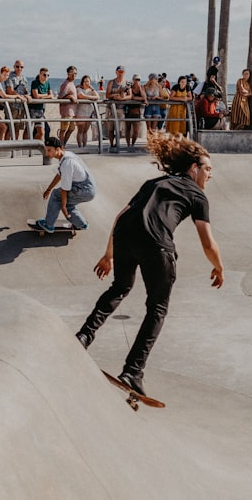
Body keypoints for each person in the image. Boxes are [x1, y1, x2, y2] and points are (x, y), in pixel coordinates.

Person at [74, 133, 224, 397]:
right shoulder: (197, 196)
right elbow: (208, 243)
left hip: (125, 234)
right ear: (193, 168)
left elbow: (122, 215)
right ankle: (133, 370)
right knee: (157, 309)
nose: (210, 175)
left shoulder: (154, 182)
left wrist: (109, 253)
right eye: (207, 169)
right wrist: (219, 267)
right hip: (156, 244)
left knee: (120, 287)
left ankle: (84, 336)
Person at [34, 136, 96, 233]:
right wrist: (49, 189)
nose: (47, 154)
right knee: (68, 203)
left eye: (49, 150)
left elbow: (65, 189)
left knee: (56, 196)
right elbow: (59, 175)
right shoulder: (66, 155)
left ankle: (48, 224)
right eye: (46, 150)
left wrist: (63, 206)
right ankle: (81, 224)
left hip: (83, 189)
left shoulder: (67, 163)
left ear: (57, 149)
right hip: (88, 187)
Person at [104, 66, 132, 148]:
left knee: (119, 129)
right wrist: (114, 96)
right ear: (116, 72)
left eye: (122, 72)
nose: (120, 73)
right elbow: (107, 95)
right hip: (110, 109)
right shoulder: (111, 82)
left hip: (121, 109)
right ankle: (111, 144)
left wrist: (123, 98)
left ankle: (117, 143)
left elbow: (130, 96)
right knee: (110, 128)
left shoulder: (127, 82)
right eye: (119, 72)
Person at [75, 74, 101, 147]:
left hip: (89, 113)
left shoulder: (91, 90)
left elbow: (97, 97)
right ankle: (80, 146)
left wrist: (92, 89)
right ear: (82, 82)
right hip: (80, 113)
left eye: (88, 81)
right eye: (85, 81)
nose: (87, 83)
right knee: (80, 130)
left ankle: (85, 146)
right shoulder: (79, 89)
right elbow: (81, 96)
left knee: (85, 131)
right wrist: (91, 98)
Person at [29, 67, 53, 141]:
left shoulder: (47, 83)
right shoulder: (35, 82)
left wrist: (41, 96)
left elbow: (51, 96)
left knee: (42, 132)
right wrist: (46, 95)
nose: (46, 77)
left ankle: (33, 145)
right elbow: (36, 96)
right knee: (28, 129)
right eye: (44, 75)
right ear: (40, 74)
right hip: (32, 109)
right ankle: (26, 146)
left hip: (41, 110)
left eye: (48, 75)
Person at [57, 65, 79, 146]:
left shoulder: (71, 83)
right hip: (66, 111)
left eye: (75, 74)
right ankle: (61, 145)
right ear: (68, 74)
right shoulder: (65, 84)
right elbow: (60, 97)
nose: (74, 75)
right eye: (72, 73)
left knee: (71, 129)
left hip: (72, 111)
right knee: (63, 129)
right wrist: (69, 96)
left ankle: (63, 144)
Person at [125, 74, 147, 146]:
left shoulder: (141, 88)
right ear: (133, 80)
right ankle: (128, 144)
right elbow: (131, 97)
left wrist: (140, 89)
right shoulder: (130, 87)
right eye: (136, 79)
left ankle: (133, 144)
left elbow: (143, 97)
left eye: (138, 80)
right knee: (128, 129)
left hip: (137, 112)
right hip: (128, 111)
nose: (137, 81)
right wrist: (139, 99)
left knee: (136, 131)